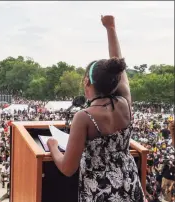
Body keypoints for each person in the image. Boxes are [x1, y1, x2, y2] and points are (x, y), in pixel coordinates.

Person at [47, 15, 145, 201]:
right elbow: (118, 64)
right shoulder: (125, 102)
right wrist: (111, 28)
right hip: (128, 182)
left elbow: (68, 168)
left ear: (87, 82)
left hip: (100, 191)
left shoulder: (84, 117)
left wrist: (53, 147)